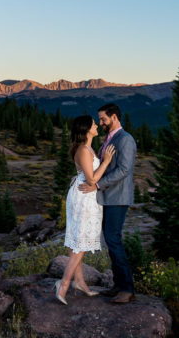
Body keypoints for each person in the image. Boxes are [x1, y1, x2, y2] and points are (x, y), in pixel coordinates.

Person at [79, 103, 137, 303]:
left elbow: (124, 170)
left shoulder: (125, 139)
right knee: (111, 241)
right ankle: (119, 285)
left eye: (103, 119)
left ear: (114, 117)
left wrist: (97, 185)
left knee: (113, 240)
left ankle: (127, 289)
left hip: (118, 198)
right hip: (108, 197)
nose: (101, 122)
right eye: (100, 120)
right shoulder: (110, 138)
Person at [55, 114, 115, 305]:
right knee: (80, 243)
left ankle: (79, 282)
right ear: (86, 129)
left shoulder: (88, 148)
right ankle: (63, 284)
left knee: (79, 241)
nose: (97, 125)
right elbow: (91, 179)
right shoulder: (83, 149)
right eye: (94, 124)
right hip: (83, 197)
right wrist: (106, 161)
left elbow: (86, 174)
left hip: (87, 196)